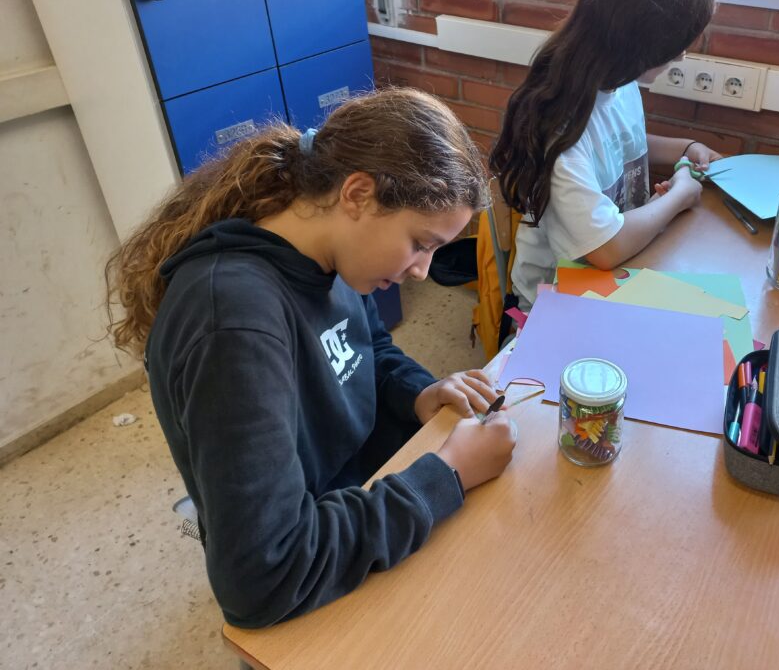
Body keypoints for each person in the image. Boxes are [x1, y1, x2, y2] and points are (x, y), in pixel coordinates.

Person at [105, 88, 517, 628]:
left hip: (357, 499)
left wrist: (418, 393)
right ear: (357, 194)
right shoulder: (232, 326)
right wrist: (448, 474)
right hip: (311, 563)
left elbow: (368, 348)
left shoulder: (331, 254)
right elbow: (263, 576)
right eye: (421, 243)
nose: (422, 271)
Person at [490, 0, 721, 308]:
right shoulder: (559, 127)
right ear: (641, 43)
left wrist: (684, 148)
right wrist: (680, 196)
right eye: (678, 45)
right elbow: (606, 248)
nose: (681, 56)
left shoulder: (617, 81)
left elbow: (621, 142)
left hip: (621, 271)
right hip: (559, 301)